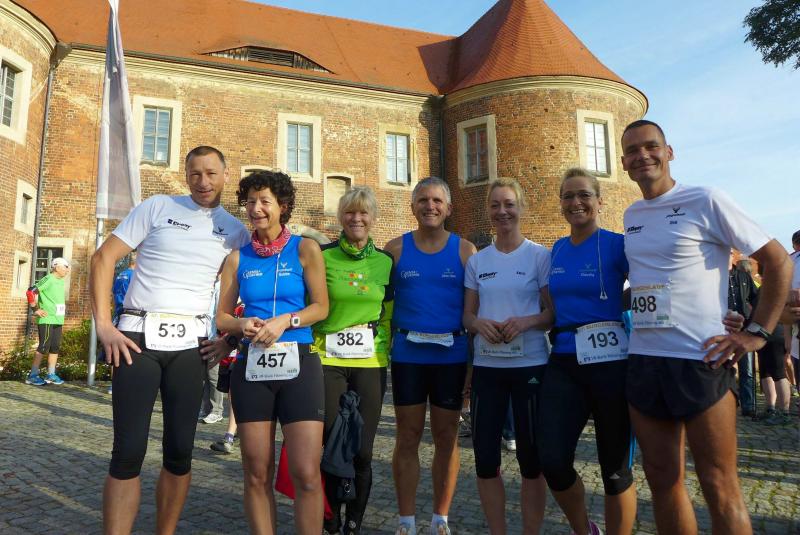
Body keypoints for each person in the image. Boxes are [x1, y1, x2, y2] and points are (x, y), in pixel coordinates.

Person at [620, 120, 791, 535]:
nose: (643, 155)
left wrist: (757, 332)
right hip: (645, 359)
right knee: (662, 481)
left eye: (651, 146)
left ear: (669, 152)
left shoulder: (705, 199)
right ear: (623, 163)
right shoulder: (632, 214)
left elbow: (778, 261)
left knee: (719, 484)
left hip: (701, 358)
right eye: (633, 151)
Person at [89, 146, 249, 535]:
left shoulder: (236, 232)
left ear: (226, 175)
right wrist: (105, 326)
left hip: (191, 347)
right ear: (186, 175)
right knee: (128, 452)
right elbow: (103, 258)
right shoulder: (157, 207)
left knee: (179, 452)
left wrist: (228, 341)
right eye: (195, 174)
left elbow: (244, 295)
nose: (203, 182)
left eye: (211, 173)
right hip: (137, 340)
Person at [214, 170, 329, 535]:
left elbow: (321, 307)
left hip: (299, 364)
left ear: (283, 206)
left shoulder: (306, 248)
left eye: (265, 201)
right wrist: (240, 324)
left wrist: (286, 321)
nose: (256, 209)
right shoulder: (237, 258)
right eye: (250, 202)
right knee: (256, 471)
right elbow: (222, 316)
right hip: (253, 368)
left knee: (306, 472)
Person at [538, 168, 637, 535]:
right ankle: (584, 530)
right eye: (568, 196)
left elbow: (647, 284)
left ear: (599, 201)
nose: (575, 202)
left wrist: (614, 310)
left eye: (583, 195)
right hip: (565, 359)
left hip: (611, 364)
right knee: (552, 460)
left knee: (615, 470)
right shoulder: (557, 250)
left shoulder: (616, 245)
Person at [384, 177, 476, 535]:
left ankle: (441, 518)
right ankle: (406, 520)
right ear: (413, 207)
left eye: (437, 200)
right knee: (407, 436)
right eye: (423, 200)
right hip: (408, 356)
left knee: (446, 437)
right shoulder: (395, 250)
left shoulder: (466, 251)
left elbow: (476, 309)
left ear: (449, 208)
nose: (430, 206)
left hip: (451, 357)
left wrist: (472, 368)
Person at [462, 178, 552, 534]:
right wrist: (478, 324)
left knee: (532, 462)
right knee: (485, 460)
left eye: (509, 204)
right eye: (495, 205)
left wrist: (526, 322)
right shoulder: (478, 261)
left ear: (521, 208)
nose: (502, 211)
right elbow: (467, 316)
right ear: (488, 210)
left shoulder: (539, 256)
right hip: (487, 367)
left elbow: (552, 313)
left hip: (530, 364)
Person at [312, 186, 394, 535]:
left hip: (369, 362)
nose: (356, 218)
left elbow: (388, 314)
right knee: (332, 443)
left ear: (373, 218)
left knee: (362, 451)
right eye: (349, 212)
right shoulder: (322, 256)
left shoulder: (385, 262)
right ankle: (330, 518)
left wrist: (382, 347)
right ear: (340, 217)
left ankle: (353, 522)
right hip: (327, 360)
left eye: (363, 212)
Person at [26, 257, 71, 386]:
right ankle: (32, 375)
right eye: (65, 267)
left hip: (58, 319)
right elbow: (30, 292)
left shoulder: (60, 281)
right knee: (43, 346)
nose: (67, 270)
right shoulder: (49, 279)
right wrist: (36, 309)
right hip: (47, 319)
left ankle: (51, 374)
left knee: (55, 347)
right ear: (57, 267)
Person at [728, 254, 759, 416]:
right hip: (722, 328)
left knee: (747, 369)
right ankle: (728, 402)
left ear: (731, 256)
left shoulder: (743, 276)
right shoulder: (714, 276)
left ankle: (749, 406)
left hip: (744, 328)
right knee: (723, 366)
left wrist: (754, 320)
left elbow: (756, 298)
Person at [107, 252, 137, 394]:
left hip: (117, 314)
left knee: (116, 349)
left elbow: (113, 295)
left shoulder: (121, 275)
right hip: (130, 315)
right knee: (130, 350)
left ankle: (114, 384)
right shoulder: (135, 276)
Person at [199, 274, 225, 424]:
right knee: (205, 376)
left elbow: (219, 313)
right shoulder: (207, 285)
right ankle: (206, 408)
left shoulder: (221, 286)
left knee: (213, 376)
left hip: (214, 335)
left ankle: (217, 410)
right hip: (203, 334)